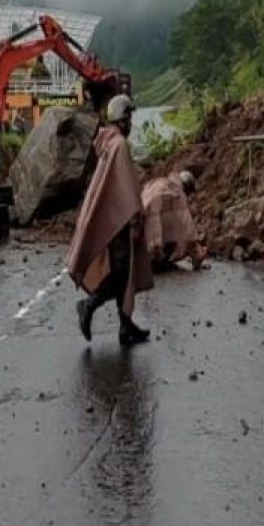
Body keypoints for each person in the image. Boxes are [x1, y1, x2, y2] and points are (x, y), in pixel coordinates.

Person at [66, 94, 153, 347]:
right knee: (122, 273)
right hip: (120, 221)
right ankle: (89, 306)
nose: (131, 121)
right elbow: (126, 190)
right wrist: (135, 219)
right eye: (129, 116)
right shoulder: (120, 146)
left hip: (113, 220)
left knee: (122, 273)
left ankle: (126, 327)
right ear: (121, 117)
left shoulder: (108, 144)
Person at [142, 170, 209, 272]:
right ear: (186, 187)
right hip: (153, 226)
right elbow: (188, 228)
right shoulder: (177, 193)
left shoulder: (157, 183)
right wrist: (197, 254)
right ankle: (157, 260)